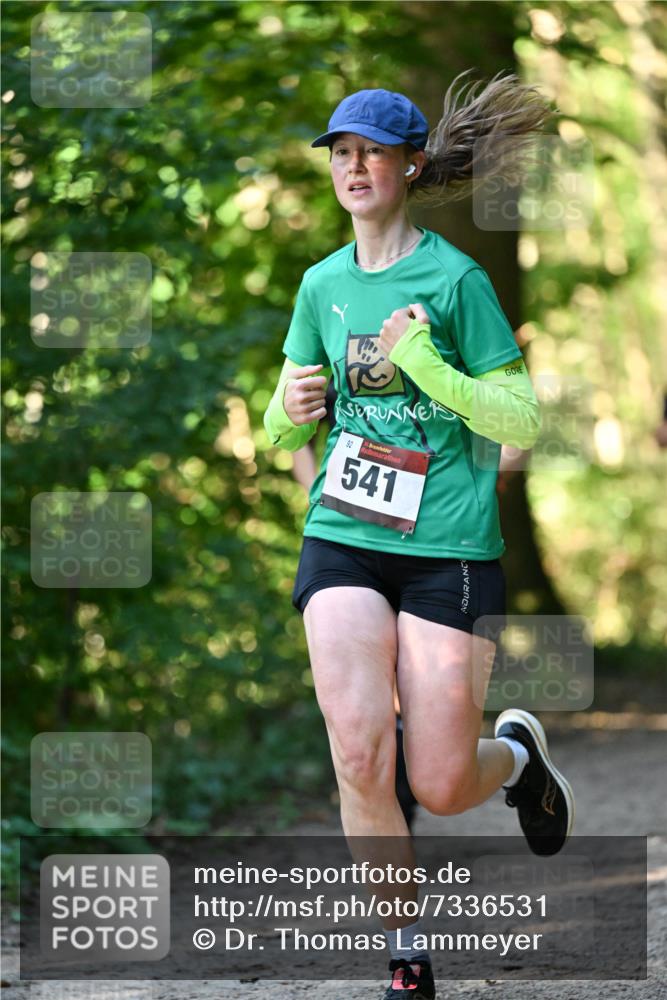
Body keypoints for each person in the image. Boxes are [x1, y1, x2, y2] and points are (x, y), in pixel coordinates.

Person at [264, 72, 575, 999]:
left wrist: (425, 365)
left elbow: (519, 420)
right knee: (358, 745)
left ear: (411, 163)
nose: (354, 167)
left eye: (371, 151)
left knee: (438, 782)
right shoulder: (320, 284)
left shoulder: (456, 279)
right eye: (341, 153)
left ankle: (518, 759)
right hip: (344, 537)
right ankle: (404, 949)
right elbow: (281, 425)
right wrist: (286, 409)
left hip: (447, 547)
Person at [292, 385, 420, 832]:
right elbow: (296, 439)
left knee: (411, 675)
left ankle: (410, 778)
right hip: (350, 540)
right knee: (371, 686)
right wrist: (324, 495)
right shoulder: (329, 355)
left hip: (428, 537)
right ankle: (389, 797)